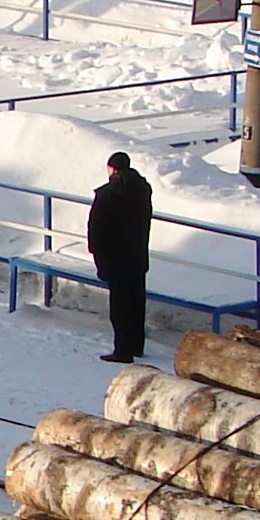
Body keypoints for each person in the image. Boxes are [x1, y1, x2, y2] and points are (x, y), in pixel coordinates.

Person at [86, 150, 153, 364]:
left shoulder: (106, 195)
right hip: (137, 255)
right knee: (136, 302)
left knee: (120, 305)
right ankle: (136, 345)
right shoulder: (143, 190)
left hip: (115, 259)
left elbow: (96, 230)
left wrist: (96, 254)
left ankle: (122, 350)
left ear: (112, 169)